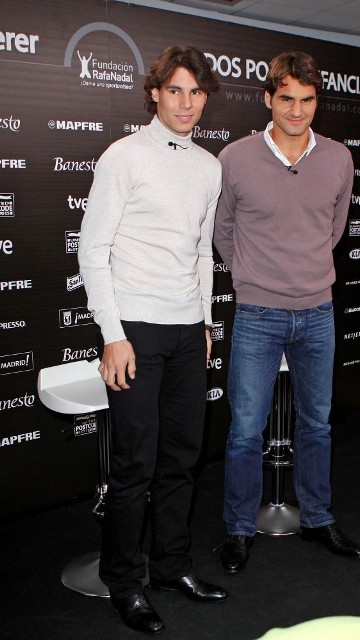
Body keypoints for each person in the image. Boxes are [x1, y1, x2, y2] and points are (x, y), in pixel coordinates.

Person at [78, 45, 227, 635]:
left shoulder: (209, 166)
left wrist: (205, 321)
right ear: (155, 94)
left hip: (189, 332)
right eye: (175, 90)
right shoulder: (123, 156)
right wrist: (112, 335)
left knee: (182, 459)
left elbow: (201, 252)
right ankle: (124, 582)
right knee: (134, 464)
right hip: (135, 331)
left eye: (196, 91)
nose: (186, 103)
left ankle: (171, 567)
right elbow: (93, 249)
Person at [213, 51, 360, 574]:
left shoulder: (339, 158)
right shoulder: (234, 158)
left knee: (317, 424)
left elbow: (334, 229)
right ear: (267, 99)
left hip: (318, 311)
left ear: (317, 101)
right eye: (286, 99)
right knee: (244, 430)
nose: (297, 111)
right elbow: (223, 230)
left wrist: (304, 269)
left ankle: (318, 518)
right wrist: (252, 275)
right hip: (258, 313)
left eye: (307, 100)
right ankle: (238, 528)